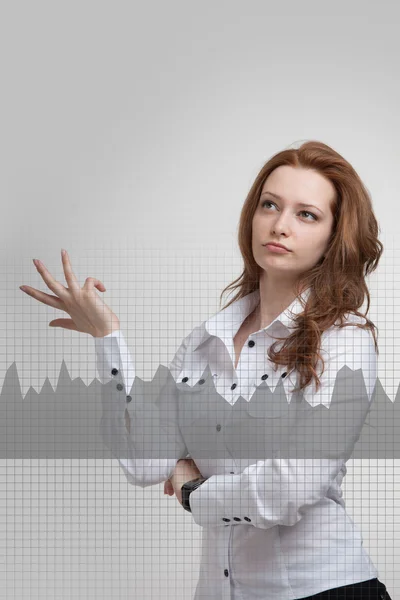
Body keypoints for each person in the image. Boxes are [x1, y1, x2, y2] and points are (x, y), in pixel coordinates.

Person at [19, 140, 392, 599]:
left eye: (306, 214)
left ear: (334, 238)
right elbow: (144, 462)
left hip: (322, 589)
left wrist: (196, 492)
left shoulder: (344, 339)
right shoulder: (204, 342)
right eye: (269, 205)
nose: (279, 225)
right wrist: (107, 338)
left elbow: (291, 485)